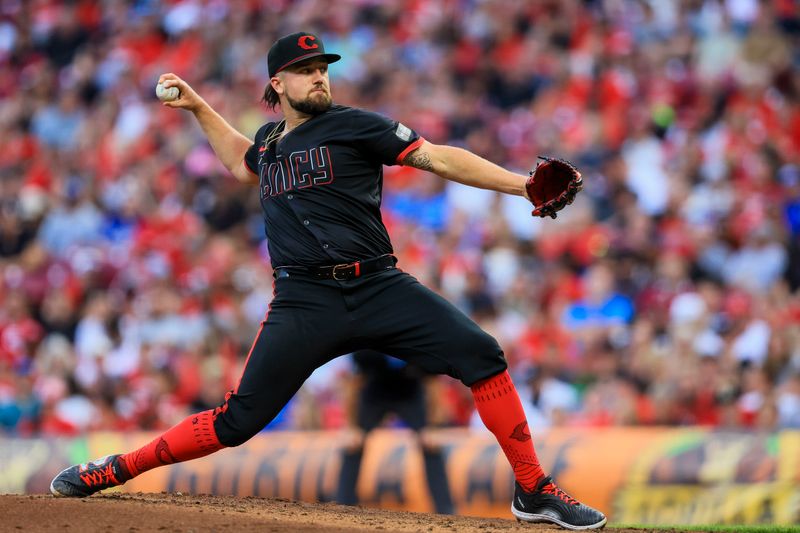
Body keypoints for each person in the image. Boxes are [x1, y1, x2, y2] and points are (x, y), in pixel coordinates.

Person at [50, 31, 606, 530]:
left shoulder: (356, 124)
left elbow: (436, 158)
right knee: (237, 421)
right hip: (304, 298)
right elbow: (240, 163)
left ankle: (533, 490)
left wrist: (520, 186)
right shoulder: (268, 142)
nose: (319, 76)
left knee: (483, 354)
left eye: (323, 67)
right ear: (278, 82)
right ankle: (114, 469)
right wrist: (198, 106)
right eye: (306, 69)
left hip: (379, 285)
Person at [336, 350, 454, 514]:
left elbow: (433, 382)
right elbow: (355, 381)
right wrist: (351, 427)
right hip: (375, 393)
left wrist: (434, 427)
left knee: (431, 445)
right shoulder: (368, 347)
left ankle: (445, 510)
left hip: (410, 393)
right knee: (353, 445)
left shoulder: (416, 342)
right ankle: (343, 507)